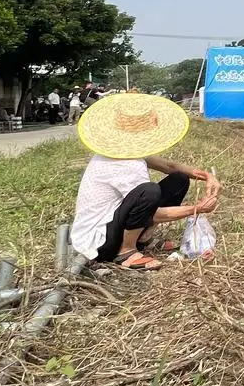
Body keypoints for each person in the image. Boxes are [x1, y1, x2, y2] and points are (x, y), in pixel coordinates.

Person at [70, 93, 222, 270]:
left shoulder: (123, 150)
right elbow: (153, 212)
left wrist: (207, 176)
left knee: (179, 179)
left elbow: (170, 166)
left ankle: (144, 239)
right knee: (149, 192)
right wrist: (196, 209)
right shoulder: (127, 164)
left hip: (113, 223)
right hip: (100, 243)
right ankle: (126, 252)